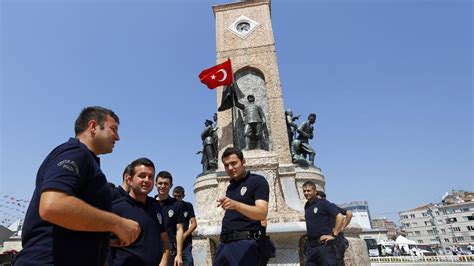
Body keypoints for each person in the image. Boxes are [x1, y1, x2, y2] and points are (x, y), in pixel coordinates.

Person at [13, 106, 140, 266]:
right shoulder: (76, 153)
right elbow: (53, 205)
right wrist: (118, 224)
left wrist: (103, 237)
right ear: (93, 127)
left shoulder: (88, 161)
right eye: (113, 129)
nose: (118, 137)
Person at [108, 158, 170, 266]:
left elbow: (164, 240)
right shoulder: (115, 208)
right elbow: (104, 248)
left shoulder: (156, 206)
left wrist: (163, 262)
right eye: (142, 176)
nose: (147, 180)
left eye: (150, 177)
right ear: (129, 180)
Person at [213, 147, 270, 265]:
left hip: (244, 243)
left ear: (243, 162)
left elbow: (262, 212)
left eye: (234, 163)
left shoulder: (257, 181)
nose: (230, 168)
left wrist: (236, 205)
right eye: (226, 165)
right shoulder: (231, 187)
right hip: (224, 244)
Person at [302, 181, 343, 266]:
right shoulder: (307, 206)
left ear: (315, 192)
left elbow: (339, 217)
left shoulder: (323, 203)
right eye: (304, 191)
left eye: (309, 190)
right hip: (311, 247)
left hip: (324, 246)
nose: (306, 193)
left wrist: (334, 235)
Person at [155, 171, 185, 266]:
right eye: (160, 183)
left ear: (171, 185)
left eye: (166, 184)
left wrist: (179, 254)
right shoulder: (149, 203)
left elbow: (179, 229)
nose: (162, 186)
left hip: (170, 251)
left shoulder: (177, 205)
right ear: (155, 184)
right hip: (152, 249)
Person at [317, 191, 352, 266]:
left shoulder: (329, 206)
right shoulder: (327, 207)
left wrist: (341, 228)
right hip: (333, 237)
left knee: (336, 260)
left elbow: (349, 214)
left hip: (335, 238)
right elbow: (349, 213)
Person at [173, 186, 197, 266]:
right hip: (173, 243)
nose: (176, 198)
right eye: (175, 196)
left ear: (183, 196)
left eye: (179, 196)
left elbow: (194, 224)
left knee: (188, 262)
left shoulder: (188, 206)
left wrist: (183, 236)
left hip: (186, 243)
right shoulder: (170, 207)